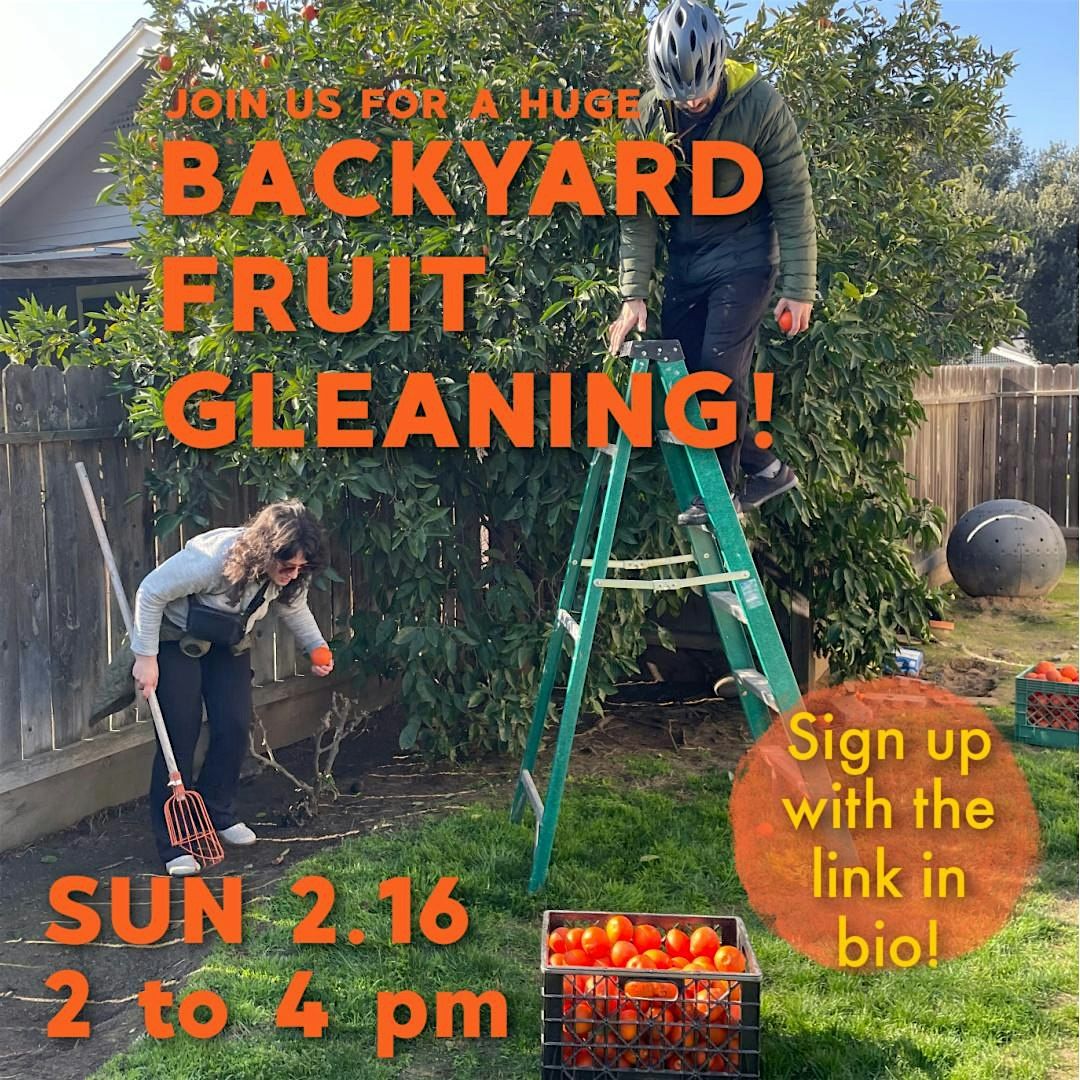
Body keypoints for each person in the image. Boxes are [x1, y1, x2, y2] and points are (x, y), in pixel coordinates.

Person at [608, 0, 817, 522]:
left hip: (746, 256)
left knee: (718, 371)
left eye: (701, 88)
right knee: (683, 375)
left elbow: (793, 197)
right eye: (682, 93)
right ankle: (766, 469)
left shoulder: (760, 105)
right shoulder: (646, 117)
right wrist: (632, 296)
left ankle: (719, 496)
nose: (694, 101)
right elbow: (637, 212)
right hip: (688, 259)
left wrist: (799, 287)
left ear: (721, 63)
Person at [130, 500, 334, 876]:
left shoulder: (292, 572)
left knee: (236, 725)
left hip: (227, 641)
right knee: (179, 732)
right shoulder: (213, 559)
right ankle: (174, 842)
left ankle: (216, 812)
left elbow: (294, 607)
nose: (292, 574)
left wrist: (316, 647)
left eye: (301, 568)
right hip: (177, 640)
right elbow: (151, 591)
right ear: (265, 550)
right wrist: (146, 657)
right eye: (286, 566)